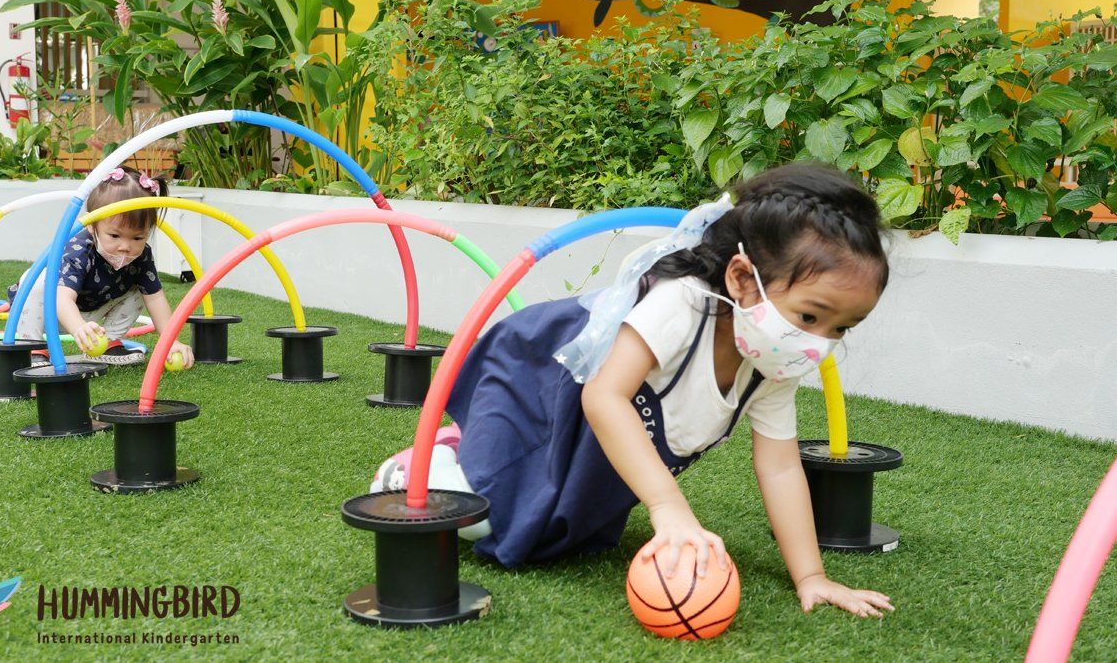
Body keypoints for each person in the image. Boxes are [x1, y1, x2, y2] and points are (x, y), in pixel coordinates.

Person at [374, 162, 895, 618]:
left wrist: (812, 577)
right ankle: (435, 462)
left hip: (600, 434)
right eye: (810, 316)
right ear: (742, 279)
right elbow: (603, 396)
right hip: (540, 385)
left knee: (559, 539)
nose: (819, 343)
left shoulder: (776, 358)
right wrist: (670, 508)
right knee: (491, 523)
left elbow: (779, 464)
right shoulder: (684, 305)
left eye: (841, 328)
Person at [7, 166, 194, 368]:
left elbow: (155, 297)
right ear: (91, 225)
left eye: (138, 237)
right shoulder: (78, 249)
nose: (125, 247)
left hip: (92, 311)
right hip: (50, 309)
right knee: (35, 281)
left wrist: (171, 342)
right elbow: (62, 298)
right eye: (114, 235)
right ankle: (32, 346)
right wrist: (79, 327)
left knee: (143, 291)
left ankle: (105, 343)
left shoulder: (142, 254)